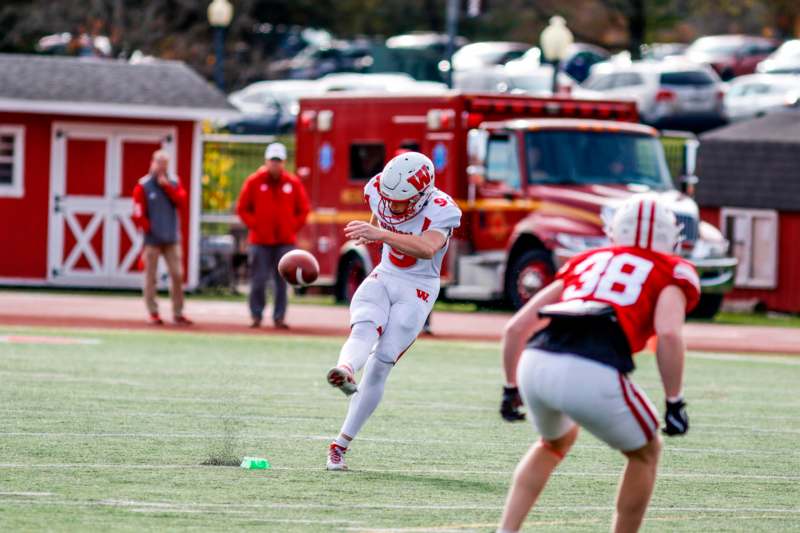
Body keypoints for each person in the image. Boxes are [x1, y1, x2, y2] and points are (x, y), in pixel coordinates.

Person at [496, 195, 699, 533]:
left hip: (536, 361)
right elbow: (669, 335)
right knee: (646, 452)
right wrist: (674, 401)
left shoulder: (586, 260)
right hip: (591, 366)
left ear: (615, 230)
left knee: (553, 443)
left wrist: (509, 387)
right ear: (672, 236)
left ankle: (507, 530)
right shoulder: (671, 269)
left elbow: (516, 327)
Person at [325, 152, 462, 471]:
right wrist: (371, 231)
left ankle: (340, 445)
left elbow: (427, 247)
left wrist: (381, 234)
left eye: (400, 200)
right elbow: (378, 220)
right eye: (387, 197)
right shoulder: (377, 190)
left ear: (422, 194)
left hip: (418, 287)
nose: (391, 204)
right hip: (385, 274)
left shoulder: (442, 209)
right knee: (364, 325)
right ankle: (345, 369)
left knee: (381, 363)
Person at [236, 142, 310, 329]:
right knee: (258, 280)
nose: (275, 164)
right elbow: (242, 208)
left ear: (284, 162)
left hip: (285, 241)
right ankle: (256, 315)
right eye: (272, 160)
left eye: (278, 161)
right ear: (266, 161)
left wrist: (292, 227)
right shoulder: (254, 181)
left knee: (282, 282)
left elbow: (303, 209)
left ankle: (279, 317)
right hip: (260, 241)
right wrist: (255, 225)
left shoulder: (292, 183)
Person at [132, 150, 192, 326]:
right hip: (152, 240)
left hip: (171, 239)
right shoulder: (143, 185)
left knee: (177, 274)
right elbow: (137, 213)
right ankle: (153, 312)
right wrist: (149, 229)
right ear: (152, 163)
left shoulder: (174, 182)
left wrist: (167, 186)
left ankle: (178, 312)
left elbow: (181, 202)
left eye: (165, 163)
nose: (161, 167)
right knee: (151, 276)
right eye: (159, 163)